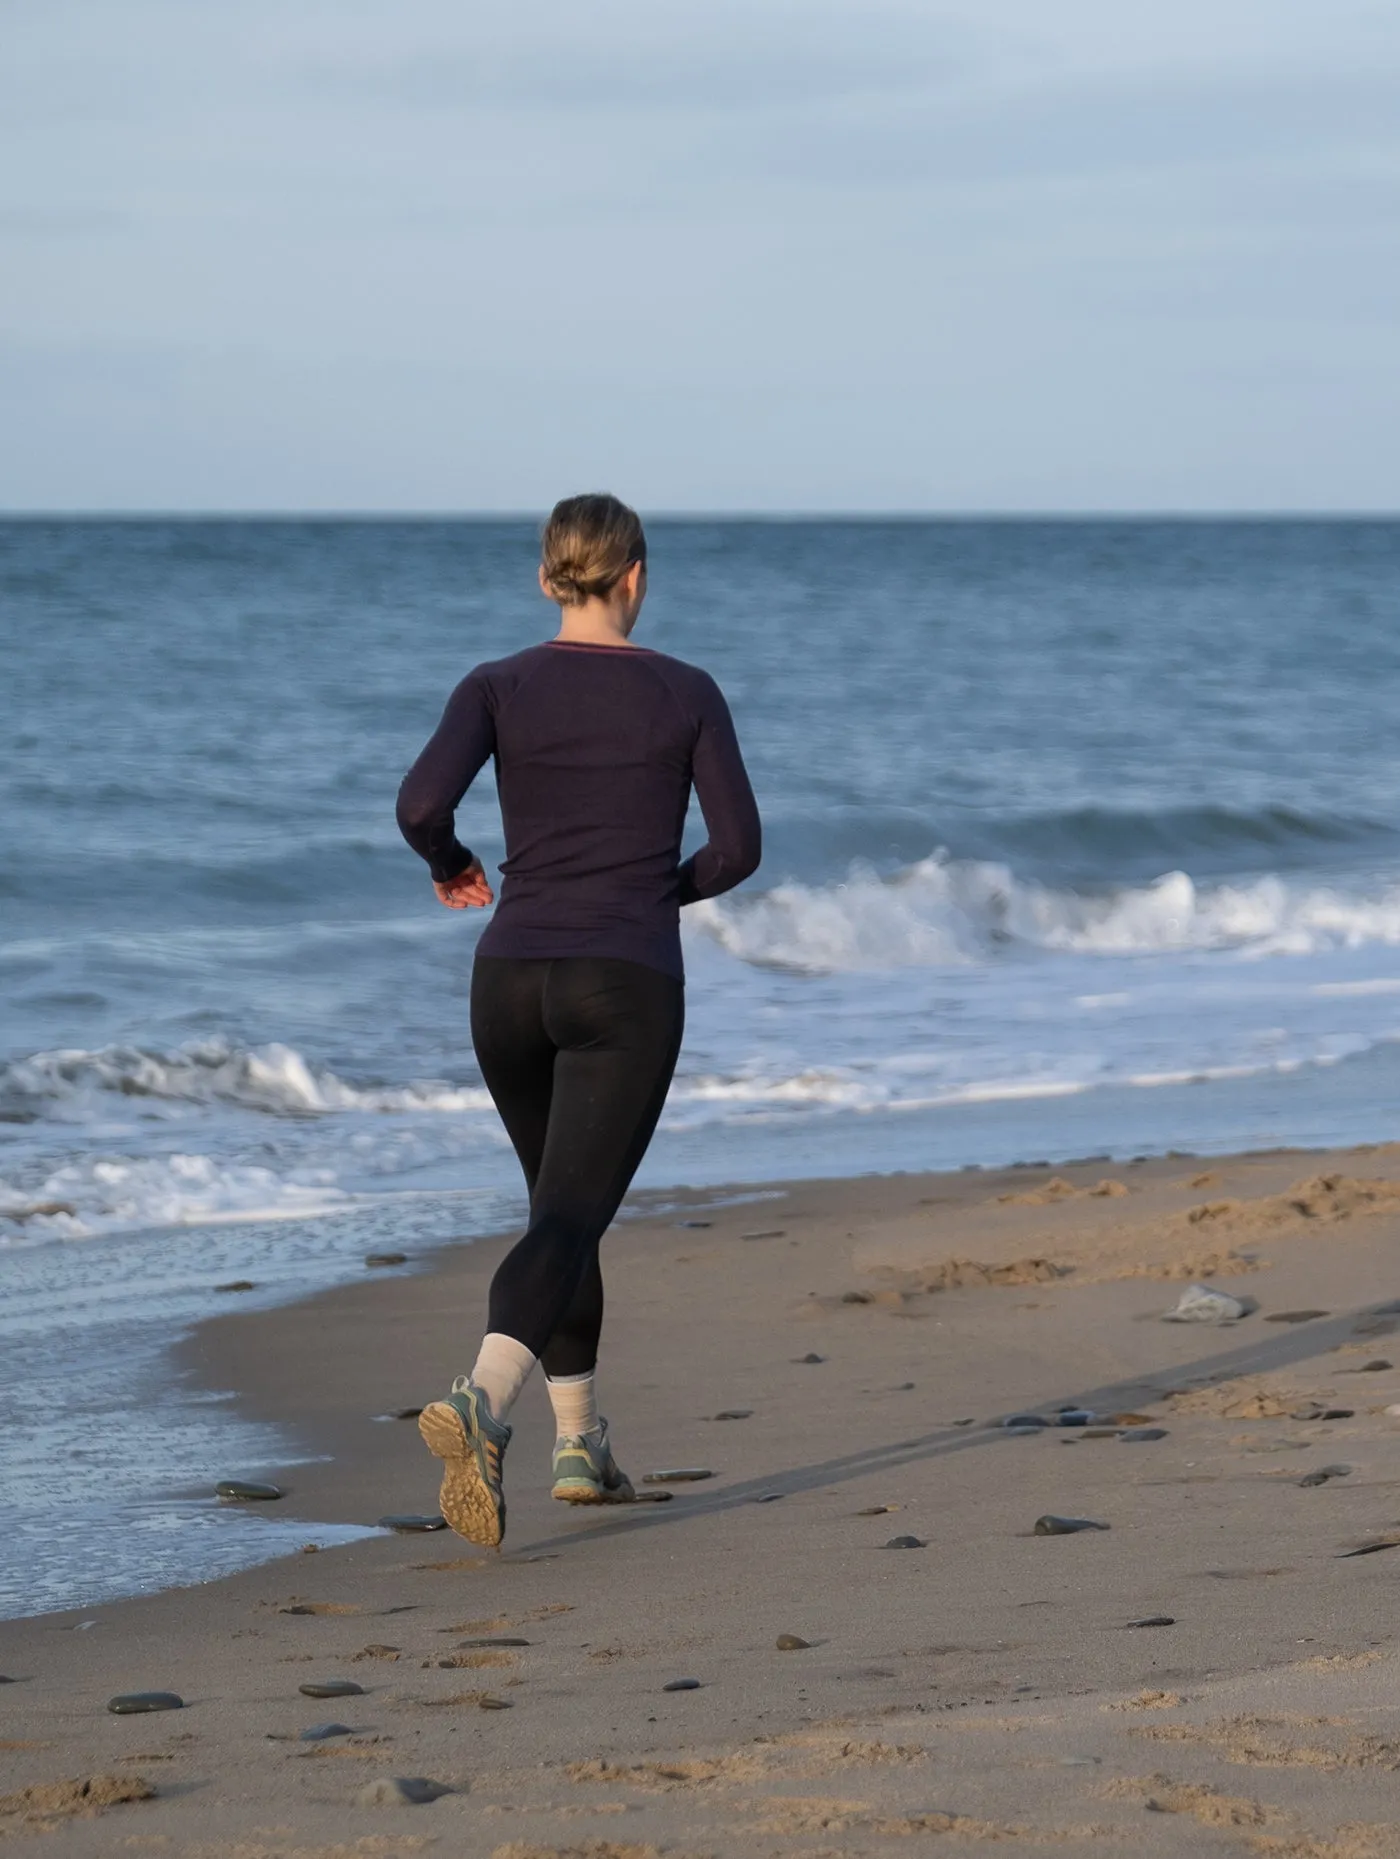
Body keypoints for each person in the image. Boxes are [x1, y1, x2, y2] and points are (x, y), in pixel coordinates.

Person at [395, 493, 761, 1546]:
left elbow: (420, 802)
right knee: (567, 1216)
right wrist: (656, 890)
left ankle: (578, 1444)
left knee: (560, 1208)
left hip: (508, 976)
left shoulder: (496, 683)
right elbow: (736, 850)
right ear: (634, 577)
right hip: (621, 981)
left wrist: (452, 865)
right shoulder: (685, 692)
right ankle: (479, 1399)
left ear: (546, 578)